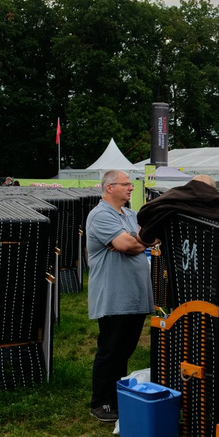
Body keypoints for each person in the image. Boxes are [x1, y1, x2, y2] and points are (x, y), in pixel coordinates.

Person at [86, 170, 155, 423]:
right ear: (109, 188)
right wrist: (135, 242)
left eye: (130, 184)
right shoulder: (100, 215)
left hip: (135, 295)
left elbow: (145, 238)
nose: (131, 188)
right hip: (114, 295)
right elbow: (128, 245)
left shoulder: (130, 214)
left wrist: (135, 241)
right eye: (126, 184)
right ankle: (101, 403)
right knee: (111, 350)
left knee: (125, 351)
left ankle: (117, 398)